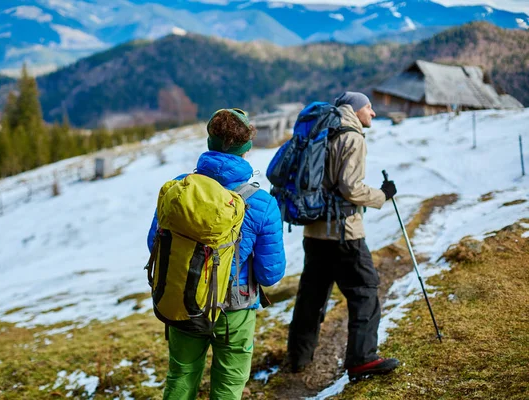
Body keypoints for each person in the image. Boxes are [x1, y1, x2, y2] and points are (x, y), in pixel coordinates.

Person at [147, 108, 286, 399]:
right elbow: (269, 274)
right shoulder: (262, 203)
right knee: (227, 388)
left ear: (209, 143)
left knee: (181, 378)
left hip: (185, 300)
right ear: (246, 148)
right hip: (234, 310)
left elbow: (154, 244)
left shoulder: (179, 189)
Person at [286, 92, 400, 380]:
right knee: (365, 291)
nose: (372, 113)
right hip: (344, 233)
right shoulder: (353, 138)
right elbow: (351, 189)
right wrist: (383, 195)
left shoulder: (322, 132)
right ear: (355, 110)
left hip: (313, 232)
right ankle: (362, 358)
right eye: (369, 108)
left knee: (311, 296)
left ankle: (298, 357)